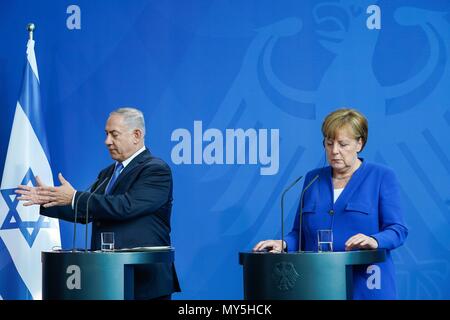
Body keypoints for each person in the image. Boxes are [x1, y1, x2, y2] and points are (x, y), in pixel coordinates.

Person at [16, 107, 181, 300]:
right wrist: (49, 200)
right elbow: (87, 210)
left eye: (114, 134)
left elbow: (125, 206)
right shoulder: (107, 173)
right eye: (106, 134)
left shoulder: (156, 170)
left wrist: (75, 196)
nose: (107, 141)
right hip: (108, 277)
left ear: (136, 135)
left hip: (144, 280)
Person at [253, 108, 408, 300]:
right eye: (329, 143)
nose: (334, 151)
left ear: (359, 143)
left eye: (343, 144)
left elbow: (397, 229)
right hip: (319, 286)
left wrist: (374, 240)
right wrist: (283, 244)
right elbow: (299, 233)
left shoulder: (382, 176)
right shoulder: (313, 178)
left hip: (367, 287)